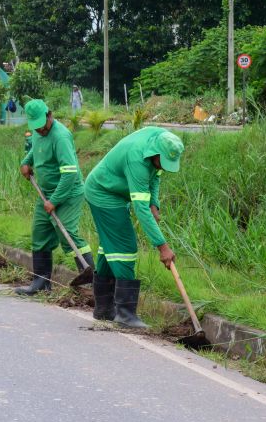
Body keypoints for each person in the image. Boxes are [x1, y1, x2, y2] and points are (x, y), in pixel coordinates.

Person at [84, 126, 184, 328]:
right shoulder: (137, 159)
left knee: (110, 247)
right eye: (162, 162)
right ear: (155, 153)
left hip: (116, 192)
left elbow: (154, 176)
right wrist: (162, 246)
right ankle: (126, 314)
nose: (164, 167)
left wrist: (154, 203)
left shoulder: (160, 141)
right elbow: (140, 208)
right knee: (124, 246)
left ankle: (103, 308)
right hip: (103, 192)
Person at [16, 99, 94, 295]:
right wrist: (26, 162)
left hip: (67, 193)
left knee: (67, 232)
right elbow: (36, 148)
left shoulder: (61, 137)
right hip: (46, 193)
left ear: (49, 116)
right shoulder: (37, 131)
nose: (40, 131)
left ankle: (94, 280)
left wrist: (55, 201)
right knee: (40, 233)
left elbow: (70, 174)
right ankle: (41, 283)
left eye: (42, 127)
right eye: (36, 128)